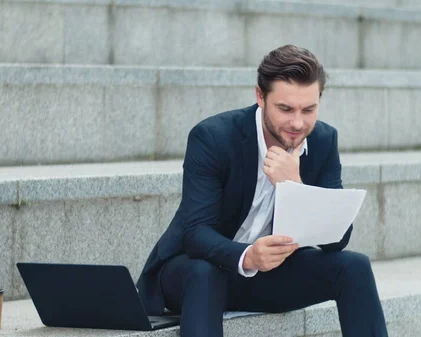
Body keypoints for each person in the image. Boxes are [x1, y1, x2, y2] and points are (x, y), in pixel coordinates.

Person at [136, 45, 388, 337]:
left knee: (353, 267)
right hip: (198, 273)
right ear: (260, 97)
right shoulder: (214, 137)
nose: (297, 123)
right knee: (204, 273)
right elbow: (195, 233)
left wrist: (294, 186)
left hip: (270, 276)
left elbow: (337, 240)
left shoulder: (323, 140)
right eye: (285, 109)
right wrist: (248, 256)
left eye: (309, 109)